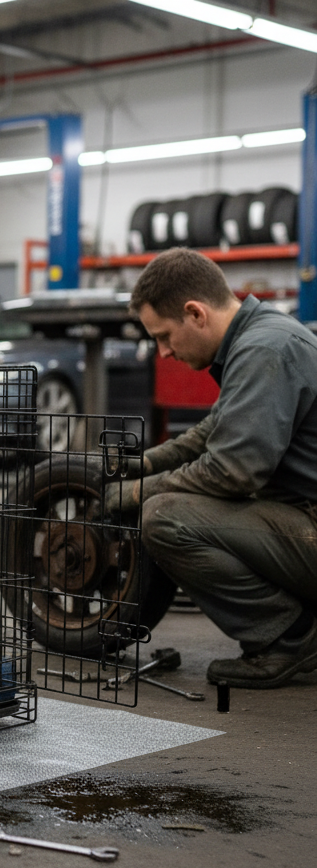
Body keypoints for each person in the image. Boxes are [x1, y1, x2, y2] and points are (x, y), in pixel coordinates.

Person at [108, 247, 317, 689]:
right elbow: (213, 430)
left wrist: (138, 492)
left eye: (165, 336)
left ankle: (290, 638)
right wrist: (145, 462)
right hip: (303, 516)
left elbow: (232, 471)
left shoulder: (264, 349)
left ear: (195, 313)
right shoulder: (260, 334)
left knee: (163, 517)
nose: (164, 352)